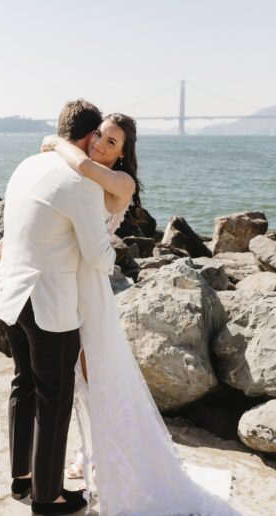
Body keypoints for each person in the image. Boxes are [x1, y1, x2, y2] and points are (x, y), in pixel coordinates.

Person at [39, 114, 243, 515]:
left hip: (90, 288)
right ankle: (92, 452)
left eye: (112, 142)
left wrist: (53, 140)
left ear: (123, 154)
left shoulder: (119, 182)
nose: (100, 144)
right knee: (78, 378)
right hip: (68, 282)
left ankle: (117, 465)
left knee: (97, 373)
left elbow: (81, 165)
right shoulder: (87, 172)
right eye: (99, 135)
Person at [0, 99, 116, 515]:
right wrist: (111, 251)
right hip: (49, 305)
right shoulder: (81, 183)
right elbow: (98, 258)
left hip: (12, 294)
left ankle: (21, 479)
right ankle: (48, 498)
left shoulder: (26, 166)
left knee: (24, 385)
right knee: (54, 399)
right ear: (91, 137)